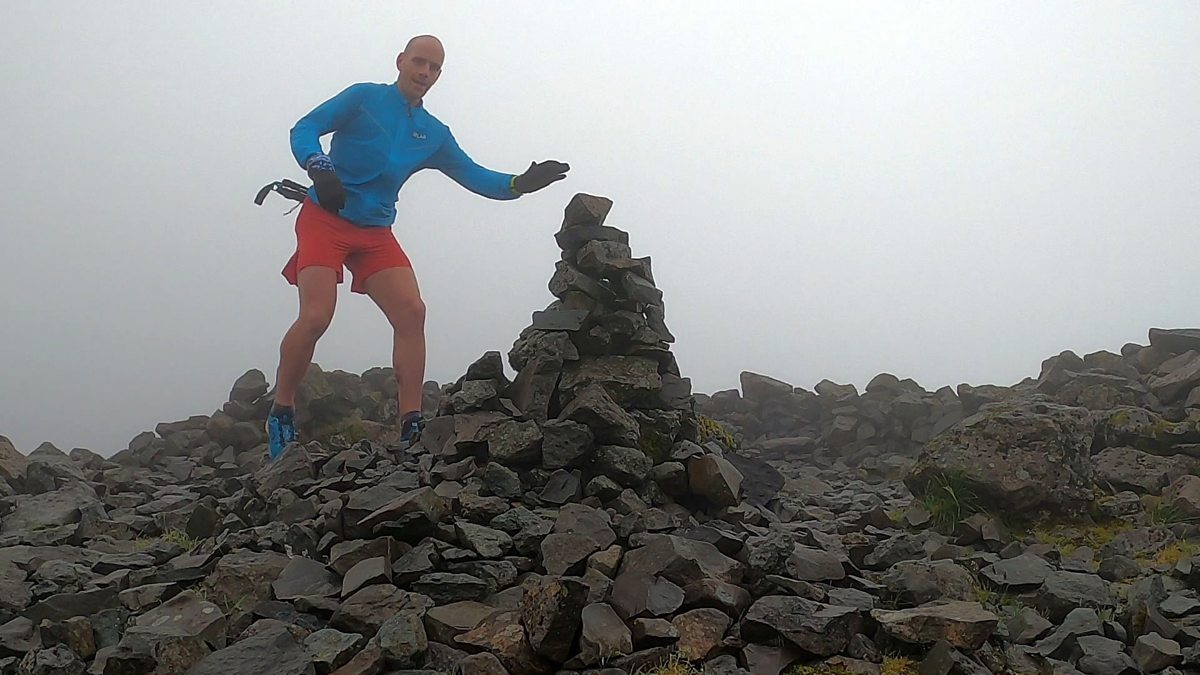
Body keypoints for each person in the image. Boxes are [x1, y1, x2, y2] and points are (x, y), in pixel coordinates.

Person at [265, 35, 569, 460]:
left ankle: (411, 424)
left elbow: (475, 176)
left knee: (412, 312)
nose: (425, 73)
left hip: (375, 232)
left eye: (434, 68)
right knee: (317, 315)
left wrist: (520, 183)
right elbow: (305, 128)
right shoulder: (364, 98)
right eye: (419, 62)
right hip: (325, 219)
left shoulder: (433, 134)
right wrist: (320, 167)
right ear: (401, 61)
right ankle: (281, 412)